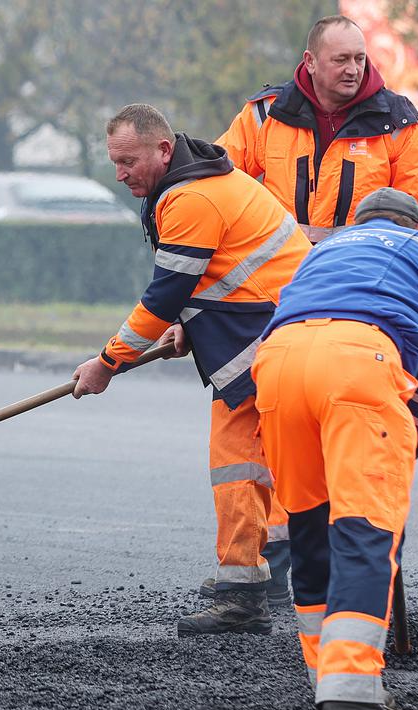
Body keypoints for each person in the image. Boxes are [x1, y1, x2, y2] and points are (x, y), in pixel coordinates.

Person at [72, 104, 311, 635]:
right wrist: (193, 321)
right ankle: (262, 576)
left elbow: (164, 295)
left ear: (162, 150)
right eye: (115, 162)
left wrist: (108, 363)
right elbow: (221, 268)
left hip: (269, 336)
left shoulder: (190, 198)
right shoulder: (196, 183)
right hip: (279, 326)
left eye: (128, 161)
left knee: (236, 461)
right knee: (261, 459)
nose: (120, 174)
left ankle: (243, 597)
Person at [250, 187, 418, 710]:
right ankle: (353, 696)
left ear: (358, 223)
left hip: (276, 365)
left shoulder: (322, 252)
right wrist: (417, 439)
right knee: (365, 528)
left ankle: (330, 681)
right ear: (417, 227)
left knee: (309, 528)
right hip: (356, 365)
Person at [216, 15, 418, 244]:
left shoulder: (398, 121)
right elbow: (217, 178)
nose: (353, 70)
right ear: (310, 62)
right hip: (279, 274)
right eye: (341, 60)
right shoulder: (268, 113)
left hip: (361, 272)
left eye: (359, 59)